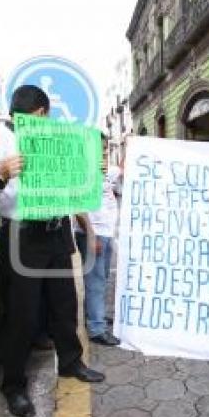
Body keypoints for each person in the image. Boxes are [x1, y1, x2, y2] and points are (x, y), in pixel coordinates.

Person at [0, 84, 104, 417]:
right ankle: (14, 386)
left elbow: (73, 180)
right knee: (21, 315)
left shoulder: (55, 138)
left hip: (56, 230)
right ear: (39, 112)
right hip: (21, 236)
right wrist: (0, 175)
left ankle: (70, 362)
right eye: (45, 115)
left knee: (65, 302)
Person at [74, 134, 121, 346]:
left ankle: (96, 316)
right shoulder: (82, 172)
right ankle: (96, 328)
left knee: (101, 278)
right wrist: (91, 234)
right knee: (95, 281)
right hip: (92, 232)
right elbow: (78, 206)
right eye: (100, 149)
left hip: (106, 231)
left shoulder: (101, 171)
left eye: (105, 149)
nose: (103, 153)